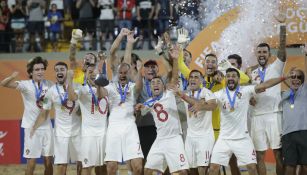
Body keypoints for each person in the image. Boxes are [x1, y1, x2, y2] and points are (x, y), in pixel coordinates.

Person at [209, 68, 290, 175]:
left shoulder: (245, 90)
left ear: (238, 78)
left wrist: (283, 77)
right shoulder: (219, 94)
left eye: (234, 76)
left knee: (252, 167)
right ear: (225, 78)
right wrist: (198, 105)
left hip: (243, 138)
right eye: (228, 76)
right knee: (213, 168)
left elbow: (265, 85)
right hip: (224, 138)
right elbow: (209, 104)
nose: (231, 78)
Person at [135, 46, 190, 175]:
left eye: (158, 82)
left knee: (182, 171)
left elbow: (175, 76)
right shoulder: (148, 102)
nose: (155, 84)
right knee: (148, 170)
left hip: (174, 138)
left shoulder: (169, 94)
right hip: (160, 139)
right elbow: (140, 111)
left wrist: (175, 59)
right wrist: (137, 108)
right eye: (153, 83)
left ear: (163, 86)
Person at [248, 11, 287, 175]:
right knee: (259, 156)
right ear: (256, 54)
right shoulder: (250, 71)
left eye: (265, 52)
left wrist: (282, 27)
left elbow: (283, 49)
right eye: (259, 52)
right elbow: (248, 92)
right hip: (257, 117)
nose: (262, 54)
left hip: (274, 114)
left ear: (269, 54)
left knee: (279, 154)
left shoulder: (276, 67)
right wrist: (250, 99)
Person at [0, 57, 53, 175]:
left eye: (42, 69)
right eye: (37, 69)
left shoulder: (49, 84)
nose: (40, 71)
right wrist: (12, 77)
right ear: (31, 72)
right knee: (32, 163)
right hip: (31, 128)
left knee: (48, 161)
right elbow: (3, 84)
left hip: (47, 127)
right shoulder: (25, 85)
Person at [30, 62, 82, 175]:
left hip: (78, 131)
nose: (59, 72)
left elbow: (72, 97)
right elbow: (44, 113)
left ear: (67, 71)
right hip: (60, 134)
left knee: (81, 163)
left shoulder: (77, 86)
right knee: (61, 165)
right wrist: (34, 128)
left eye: (62, 69)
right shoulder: (51, 91)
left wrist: (70, 81)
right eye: (57, 70)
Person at [99, 47, 144, 175]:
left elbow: (139, 87)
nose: (123, 75)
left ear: (129, 74)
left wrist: (140, 71)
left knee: (138, 167)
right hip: (114, 128)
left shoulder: (132, 86)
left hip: (130, 127)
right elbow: (101, 94)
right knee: (111, 167)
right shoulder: (111, 86)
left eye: (125, 73)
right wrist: (98, 85)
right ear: (117, 74)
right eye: (121, 73)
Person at [67, 65, 108, 175]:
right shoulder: (82, 89)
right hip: (88, 135)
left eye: (95, 72)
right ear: (86, 75)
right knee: (87, 167)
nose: (93, 74)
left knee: (103, 168)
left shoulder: (107, 88)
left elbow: (101, 95)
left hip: (104, 134)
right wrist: (70, 80)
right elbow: (72, 98)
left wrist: (99, 84)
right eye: (90, 72)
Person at [178, 70, 217, 175]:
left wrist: (201, 105)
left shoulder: (207, 92)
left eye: (196, 77)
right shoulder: (186, 93)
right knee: (190, 169)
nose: (192, 79)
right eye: (191, 77)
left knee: (202, 168)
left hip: (205, 136)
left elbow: (213, 106)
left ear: (201, 80)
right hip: (190, 136)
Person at [280, 44, 307, 175]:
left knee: (305, 165)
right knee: (289, 166)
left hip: (304, 132)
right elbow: (281, 76)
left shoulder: (305, 91)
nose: (295, 79)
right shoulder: (284, 94)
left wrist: (306, 55)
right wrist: (287, 76)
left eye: (299, 77)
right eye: (293, 77)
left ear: (303, 81)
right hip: (287, 135)